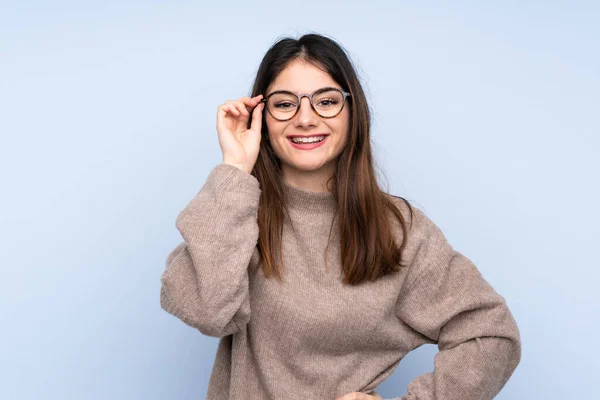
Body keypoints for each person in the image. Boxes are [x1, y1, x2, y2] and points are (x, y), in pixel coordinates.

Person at [159, 33, 521, 400]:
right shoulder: (237, 210)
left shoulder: (399, 230)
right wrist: (236, 167)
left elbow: (492, 333)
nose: (305, 119)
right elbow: (204, 310)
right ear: (261, 116)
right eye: (284, 104)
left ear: (352, 111)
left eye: (326, 101)